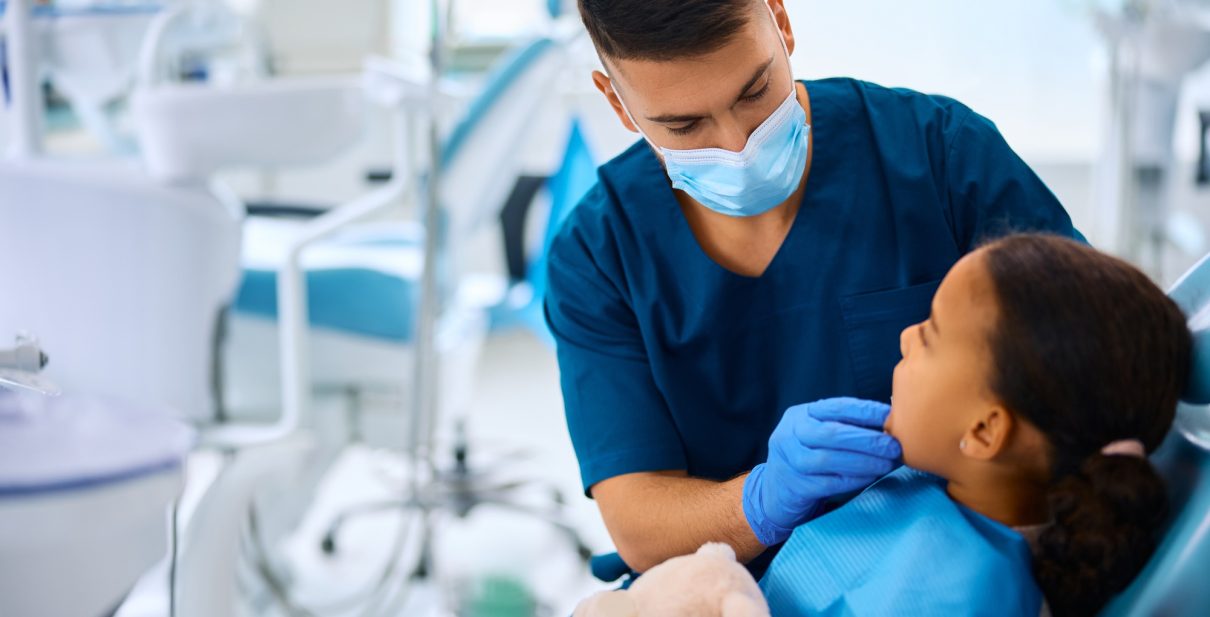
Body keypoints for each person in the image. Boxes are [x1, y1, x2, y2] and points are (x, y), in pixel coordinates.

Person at [545, 0, 1083, 578]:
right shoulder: (599, 252)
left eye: (754, 92)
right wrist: (759, 500)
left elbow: (1088, 356)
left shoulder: (939, 156)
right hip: (730, 586)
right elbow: (641, 524)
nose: (737, 145)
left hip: (948, 563)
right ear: (615, 101)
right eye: (684, 126)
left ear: (780, 20)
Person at [761, 234, 1192, 616]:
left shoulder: (972, 597)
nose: (905, 336)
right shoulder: (933, 483)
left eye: (929, 336)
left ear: (985, 432)